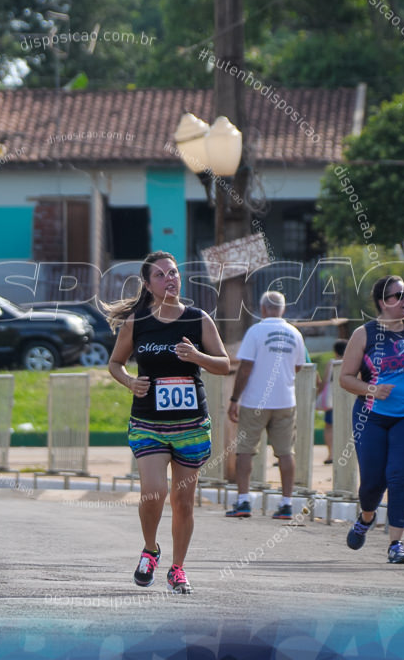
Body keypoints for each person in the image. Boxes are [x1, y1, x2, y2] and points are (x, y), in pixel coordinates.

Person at [106, 251, 230, 594]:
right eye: (160, 275)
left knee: (183, 501)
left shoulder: (197, 319)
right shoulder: (137, 322)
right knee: (153, 492)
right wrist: (130, 381)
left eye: (173, 273)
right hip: (148, 421)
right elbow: (115, 363)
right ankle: (150, 549)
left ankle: (178, 568)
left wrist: (197, 357)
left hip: (191, 424)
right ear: (148, 284)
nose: (170, 279)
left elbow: (223, 364)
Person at [339, 275, 404, 564]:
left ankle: (396, 545)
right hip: (371, 416)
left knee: (399, 478)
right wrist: (372, 389)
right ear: (383, 302)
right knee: (372, 482)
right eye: (398, 295)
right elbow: (345, 378)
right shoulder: (364, 334)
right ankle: (366, 517)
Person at [225, 291, 308, 519]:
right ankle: (287, 503)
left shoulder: (256, 332)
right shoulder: (294, 333)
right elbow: (299, 366)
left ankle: (243, 501)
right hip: (285, 401)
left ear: (262, 309)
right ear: (283, 309)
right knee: (285, 453)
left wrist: (234, 399)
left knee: (245, 451)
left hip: (255, 401)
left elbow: (245, 368)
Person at [317, 339, 348, 465]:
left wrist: (318, 393)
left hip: (332, 399)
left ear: (335, 351)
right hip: (346, 398)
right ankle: (345, 454)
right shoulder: (352, 361)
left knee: (329, 426)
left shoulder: (332, 363)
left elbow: (325, 382)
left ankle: (331, 454)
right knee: (347, 426)